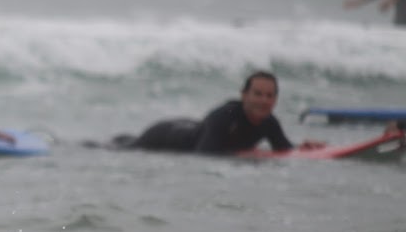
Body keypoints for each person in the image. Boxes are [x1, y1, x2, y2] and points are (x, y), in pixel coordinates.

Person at [112, 71, 324, 154]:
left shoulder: (269, 122)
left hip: (190, 126)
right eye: (258, 94)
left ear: (275, 99)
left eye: (269, 96)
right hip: (165, 136)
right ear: (244, 95)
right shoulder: (223, 117)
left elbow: (282, 149)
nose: (264, 100)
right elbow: (204, 156)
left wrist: (301, 147)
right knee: (121, 149)